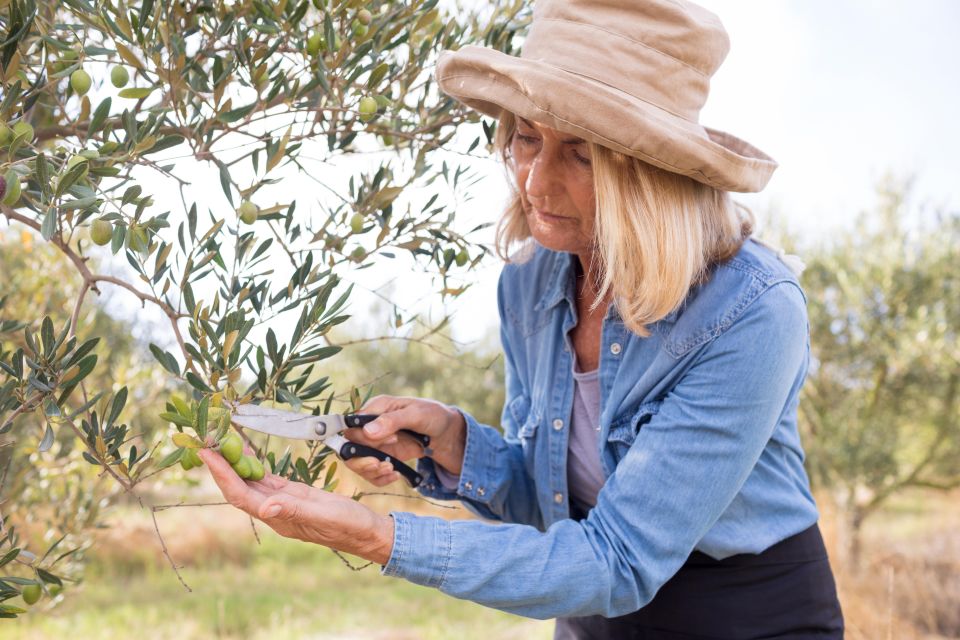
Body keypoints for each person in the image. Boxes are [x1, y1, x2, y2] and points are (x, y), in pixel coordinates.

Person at [199, 0, 845, 637]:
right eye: (526, 138)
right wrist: (451, 442)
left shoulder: (750, 312)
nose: (535, 183)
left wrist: (379, 537)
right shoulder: (533, 281)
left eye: (581, 155)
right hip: (594, 616)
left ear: (653, 176)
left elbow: (618, 560)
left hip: (750, 619)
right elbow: (547, 505)